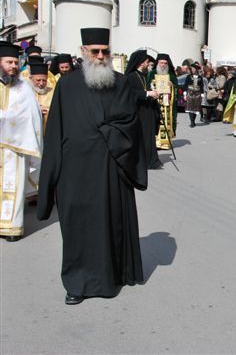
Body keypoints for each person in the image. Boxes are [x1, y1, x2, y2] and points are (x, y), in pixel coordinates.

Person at [37, 28, 147, 304]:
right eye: (95, 51)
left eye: (105, 51)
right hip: (74, 171)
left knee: (111, 223)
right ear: (83, 51)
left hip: (112, 167)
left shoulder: (121, 83)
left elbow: (130, 125)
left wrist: (106, 134)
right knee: (77, 228)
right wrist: (52, 173)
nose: (100, 56)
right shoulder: (67, 84)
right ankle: (77, 283)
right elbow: (55, 131)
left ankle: (111, 276)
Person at [0, 41, 42, 242]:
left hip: (15, 148)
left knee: (13, 187)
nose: (14, 66)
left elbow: (31, 116)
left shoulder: (24, 87)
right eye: (9, 62)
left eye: (16, 63)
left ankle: (11, 228)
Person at [125, 49, 161, 169]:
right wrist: (147, 94)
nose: (148, 64)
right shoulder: (131, 76)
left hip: (148, 110)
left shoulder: (144, 76)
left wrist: (153, 94)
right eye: (146, 62)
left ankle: (151, 160)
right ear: (140, 63)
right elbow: (130, 93)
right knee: (142, 137)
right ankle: (143, 161)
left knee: (149, 136)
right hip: (139, 111)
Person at [148, 53, 178, 149]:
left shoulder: (171, 75)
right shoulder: (152, 73)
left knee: (166, 121)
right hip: (155, 102)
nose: (163, 65)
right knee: (155, 121)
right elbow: (147, 86)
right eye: (161, 63)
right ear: (158, 63)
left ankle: (166, 142)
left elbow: (177, 88)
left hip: (168, 104)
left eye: (165, 63)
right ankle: (156, 141)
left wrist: (172, 86)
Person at [28, 62, 55, 133]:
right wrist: (36, 110)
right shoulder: (24, 92)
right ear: (31, 78)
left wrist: (47, 111)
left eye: (44, 80)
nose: (41, 83)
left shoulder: (53, 91)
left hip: (48, 132)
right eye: (38, 80)